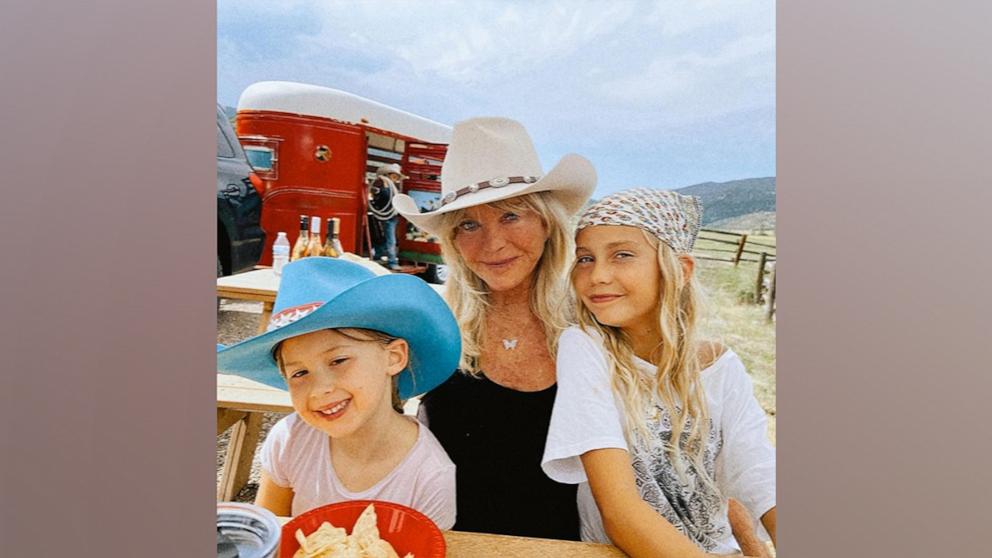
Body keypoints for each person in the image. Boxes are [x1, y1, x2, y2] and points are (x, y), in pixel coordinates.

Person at [541, 188, 777, 557]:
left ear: (679, 270)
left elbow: (759, 476)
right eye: (585, 258)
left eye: (622, 255)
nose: (598, 275)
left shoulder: (721, 366)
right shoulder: (585, 348)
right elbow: (620, 511)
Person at [393, 117, 597, 540]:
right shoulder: (431, 324)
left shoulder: (592, 325)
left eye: (510, 215)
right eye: (468, 224)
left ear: (546, 223)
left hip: (564, 551)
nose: (493, 243)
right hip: (449, 543)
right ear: (452, 240)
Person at [216, 257, 462, 528]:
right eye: (299, 373)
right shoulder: (289, 441)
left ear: (394, 357)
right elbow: (270, 533)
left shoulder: (429, 476)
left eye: (338, 361)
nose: (321, 389)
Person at [369, 163, 406, 270]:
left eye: (396, 177)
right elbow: (382, 197)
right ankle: (392, 261)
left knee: (387, 238)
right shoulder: (380, 186)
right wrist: (384, 186)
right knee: (390, 240)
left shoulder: (393, 187)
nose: (395, 179)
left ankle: (378, 256)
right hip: (386, 217)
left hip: (391, 216)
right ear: (388, 175)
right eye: (394, 176)